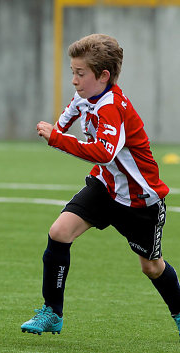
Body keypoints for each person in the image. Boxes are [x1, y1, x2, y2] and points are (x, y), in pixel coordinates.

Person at [21, 34, 180, 338]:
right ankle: (52, 312)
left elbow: (104, 151)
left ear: (103, 76)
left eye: (80, 74)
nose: (74, 80)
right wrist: (59, 126)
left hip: (139, 201)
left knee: (152, 267)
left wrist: (58, 138)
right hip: (105, 187)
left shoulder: (112, 108)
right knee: (59, 232)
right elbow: (70, 112)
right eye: (73, 72)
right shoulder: (87, 95)